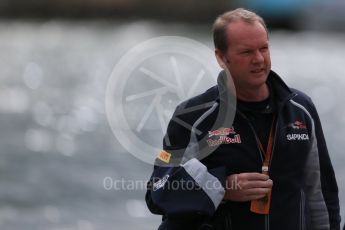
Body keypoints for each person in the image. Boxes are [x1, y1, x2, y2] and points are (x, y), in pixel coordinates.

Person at [146, 8, 340, 230]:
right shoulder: (191, 116)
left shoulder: (301, 109)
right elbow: (157, 191)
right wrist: (222, 188)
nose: (258, 59)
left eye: (264, 48)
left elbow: (321, 195)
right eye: (246, 52)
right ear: (221, 57)